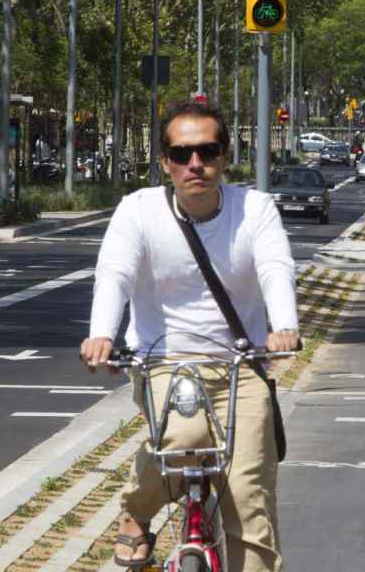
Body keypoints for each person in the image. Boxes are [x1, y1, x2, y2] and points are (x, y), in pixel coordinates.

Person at [80, 101, 299, 572]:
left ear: (224, 156)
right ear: (164, 162)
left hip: (242, 364)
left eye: (206, 151)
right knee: (182, 436)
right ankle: (137, 512)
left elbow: (275, 268)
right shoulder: (138, 211)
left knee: (247, 493)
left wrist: (284, 326)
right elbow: (114, 274)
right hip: (164, 362)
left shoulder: (254, 209)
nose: (194, 164)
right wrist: (101, 334)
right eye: (181, 154)